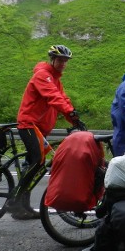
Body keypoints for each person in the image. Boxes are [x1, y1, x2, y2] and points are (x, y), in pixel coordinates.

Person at [12, 45, 82, 220]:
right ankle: (13, 201)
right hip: (29, 124)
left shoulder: (55, 80)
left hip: (39, 128)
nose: (63, 63)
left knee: (32, 166)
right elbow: (53, 97)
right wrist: (70, 112)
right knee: (37, 161)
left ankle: (22, 208)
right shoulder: (43, 75)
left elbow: (63, 99)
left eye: (65, 61)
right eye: (60, 60)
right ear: (52, 60)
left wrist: (74, 119)